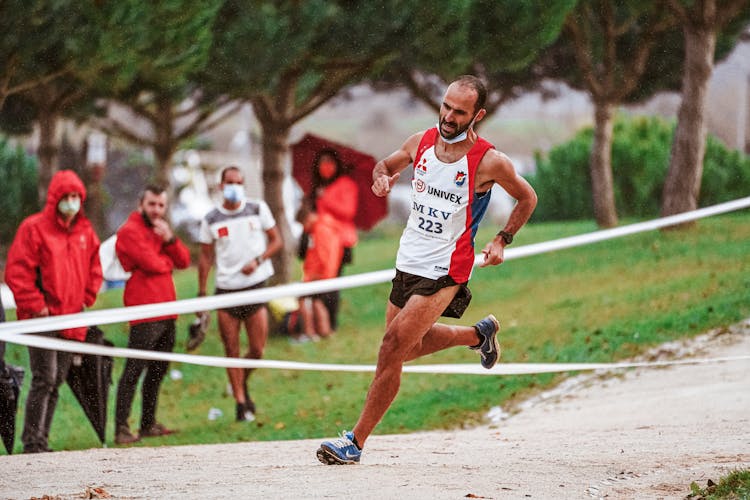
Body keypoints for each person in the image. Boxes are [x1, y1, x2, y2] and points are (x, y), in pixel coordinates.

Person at [316, 75, 538, 465]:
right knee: (407, 346)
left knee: (391, 348)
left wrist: (502, 239)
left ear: (478, 115)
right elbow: (384, 165)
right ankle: (476, 335)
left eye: (460, 112)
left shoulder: (489, 160)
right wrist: (382, 179)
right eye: (446, 106)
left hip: (447, 266)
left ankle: (355, 441)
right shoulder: (420, 142)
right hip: (408, 259)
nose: (449, 116)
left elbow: (527, 196)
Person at [5, 170, 103, 453]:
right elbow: (17, 272)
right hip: (42, 317)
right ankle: (32, 441)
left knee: (58, 378)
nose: (71, 202)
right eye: (67, 197)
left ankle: (41, 439)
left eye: (76, 197)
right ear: (55, 198)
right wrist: (37, 305)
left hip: (72, 316)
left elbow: (95, 267)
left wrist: (87, 296)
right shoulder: (34, 228)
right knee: (44, 376)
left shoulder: (85, 231)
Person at [197, 166, 282, 422]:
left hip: (254, 286)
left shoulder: (257, 209)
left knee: (257, 349)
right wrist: (202, 293)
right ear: (221, 185)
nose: (234, 186)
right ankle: (240, 403)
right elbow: (205, 257)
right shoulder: (211, 219)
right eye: (230, 182)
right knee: (231, 349)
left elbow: (276, 240)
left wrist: (258, 260)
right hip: (226, 290)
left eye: (239, 182)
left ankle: (239, 383)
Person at [114, 185, 191, 445]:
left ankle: (148, 423)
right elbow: (152, 263)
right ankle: (121, 427)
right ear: (141, 204)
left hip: (168, 308)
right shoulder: (129, 231)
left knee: (158, 369)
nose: (156, 210)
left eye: (161, 205)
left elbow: (183, 261)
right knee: (134, 369)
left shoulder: (162, 231)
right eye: (152, 204)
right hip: (145, 309)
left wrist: (170, 239)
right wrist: (164, 258)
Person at [302, 149, 358, 331]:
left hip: (340, 241)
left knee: (332, 284)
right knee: (318, 283)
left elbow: (348, 212)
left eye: (329, 162)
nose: (325, 167)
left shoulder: (346, 185)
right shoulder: (318, 187)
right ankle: (318, 325)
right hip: (319, 241)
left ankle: (330, 323)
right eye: (322, 162)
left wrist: (325, 198)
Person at [294, 199, 344, 342]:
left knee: (303, 300)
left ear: (308, 218)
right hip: (324, 274)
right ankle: (324, 331)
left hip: (319, 274)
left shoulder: (321, 230)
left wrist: (318, 275)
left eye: (303, 224)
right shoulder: (323, 227)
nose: (304, 229)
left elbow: (324, 255)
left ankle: (310, 333)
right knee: (317, 302)